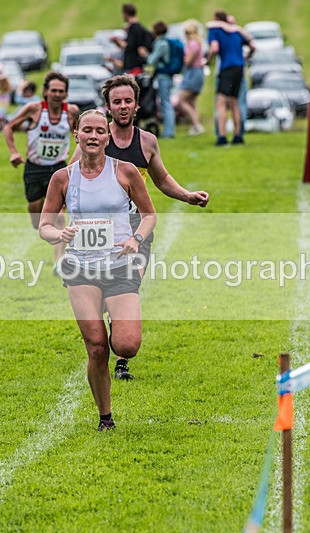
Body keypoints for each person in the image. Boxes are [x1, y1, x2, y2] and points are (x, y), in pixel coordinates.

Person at [70, 74, 209, 380]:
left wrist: (187, 195)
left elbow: (161, 179)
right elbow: (72, 181)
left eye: (128, 101)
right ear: (108, 106)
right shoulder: (92, 137)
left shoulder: (146, 142)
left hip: (135, 228)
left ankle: (121, 357)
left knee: (128, 283)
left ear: (136, 105)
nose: (122, 106)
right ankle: (104, 336)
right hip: (97, 228)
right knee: (103, 292)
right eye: (116, 101)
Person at [38, 109, 156, 431]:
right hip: (81, 268)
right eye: (86, 131)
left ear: (107, 137)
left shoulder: (126, 172)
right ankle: (106, 417)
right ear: (76, 135)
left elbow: (149, 215)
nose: (93, 136)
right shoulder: (63, 178)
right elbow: (45, 225)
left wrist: (136, 239)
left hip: (119, 266)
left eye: (99, 131)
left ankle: (115, 308)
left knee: (127, 344)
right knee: (96, 345)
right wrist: (58, 235)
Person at [3, 72, 80, 263]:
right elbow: (8, 127)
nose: (56, 94)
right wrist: (13, 151)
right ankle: (46, 229)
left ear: (66, 94)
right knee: (37, 219)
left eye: (61, 91)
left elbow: (79, 134)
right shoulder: (34, 109)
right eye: (53, 90)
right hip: (34, 167)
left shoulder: (71, 112)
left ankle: (59, 259)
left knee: (60, 214)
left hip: (58, 168)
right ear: (46, 91)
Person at [207, 11, 255, 146]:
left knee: (221, 103)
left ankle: (222, 137)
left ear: (216, 19)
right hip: (239, 69)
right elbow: (253, 45)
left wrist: (207, 60)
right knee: (235, 102)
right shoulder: (236, 32)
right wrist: (247, 57)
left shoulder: (215, 31)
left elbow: (214, 48)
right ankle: (238, 136)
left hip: (226, 68)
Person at [144, 21, 176, 139]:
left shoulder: (161, 44)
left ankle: (169, 132)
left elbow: (151, 60)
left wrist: (145, 55)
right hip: (168, 76)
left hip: (163, 76)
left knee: (165, 103)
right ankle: (169, 130)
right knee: (166, 102)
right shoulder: (168, 41)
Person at [177, 22, 206, 136]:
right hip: (195, 73)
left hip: (193, 73)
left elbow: (188, 61)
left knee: (181, 101)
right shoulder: (197, 43)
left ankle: (197, 125)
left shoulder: (193, 44)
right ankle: (195, 126)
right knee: (192, 102)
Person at [110, 3, 153, 75]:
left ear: (126, 14)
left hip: (134, 69)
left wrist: (117, 40)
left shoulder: (133, 28)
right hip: (141, 67)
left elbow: (129, 46)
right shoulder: (142, 28)